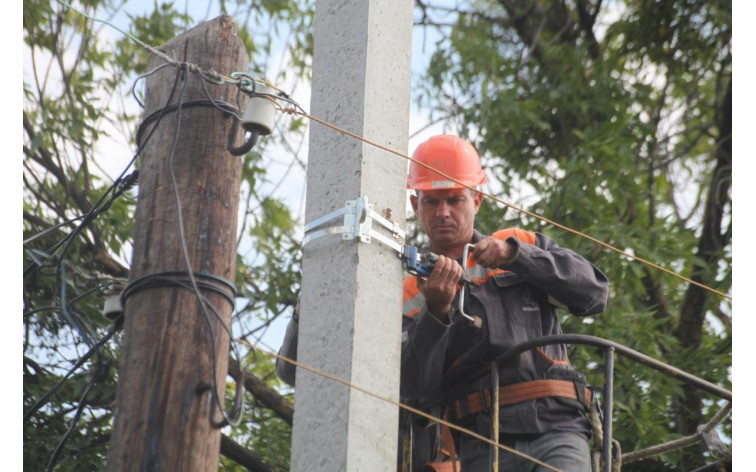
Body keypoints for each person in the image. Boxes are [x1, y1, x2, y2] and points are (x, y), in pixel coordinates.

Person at [277, 135, 609, 471]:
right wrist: (435, 312)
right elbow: (417, 388)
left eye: (455, 200)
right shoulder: (410, 293)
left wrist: (517, 257)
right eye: (432, 202)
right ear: (414, 204)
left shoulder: (519, 244)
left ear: (477, 199)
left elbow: (594, 293)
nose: (444, 213)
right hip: (480, 441)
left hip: (556, 426)